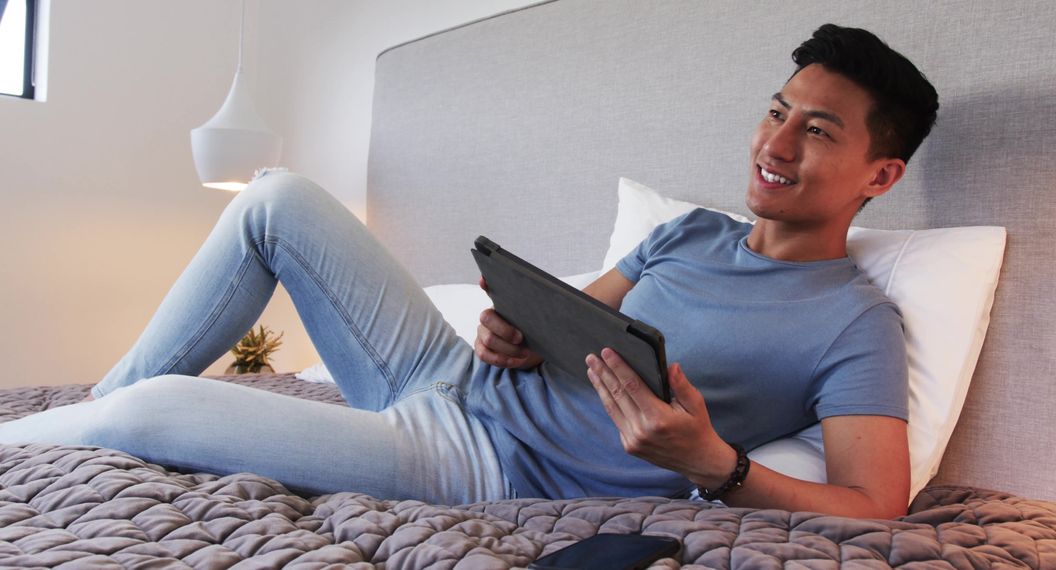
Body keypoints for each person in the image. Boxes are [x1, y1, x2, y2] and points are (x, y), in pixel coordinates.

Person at [0, 24, 937, 519]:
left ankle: (79, 423)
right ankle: (84, 417)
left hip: (480, 463)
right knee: (274, 197)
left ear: (880, 176)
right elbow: (586, 318)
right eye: (777, 111)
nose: (776, 143)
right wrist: (514, 329)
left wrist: (716, 466)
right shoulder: (689, 231)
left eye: (817, 132)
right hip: (449, 372)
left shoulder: (854, 323)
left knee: (153, 411)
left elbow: (876, 507)